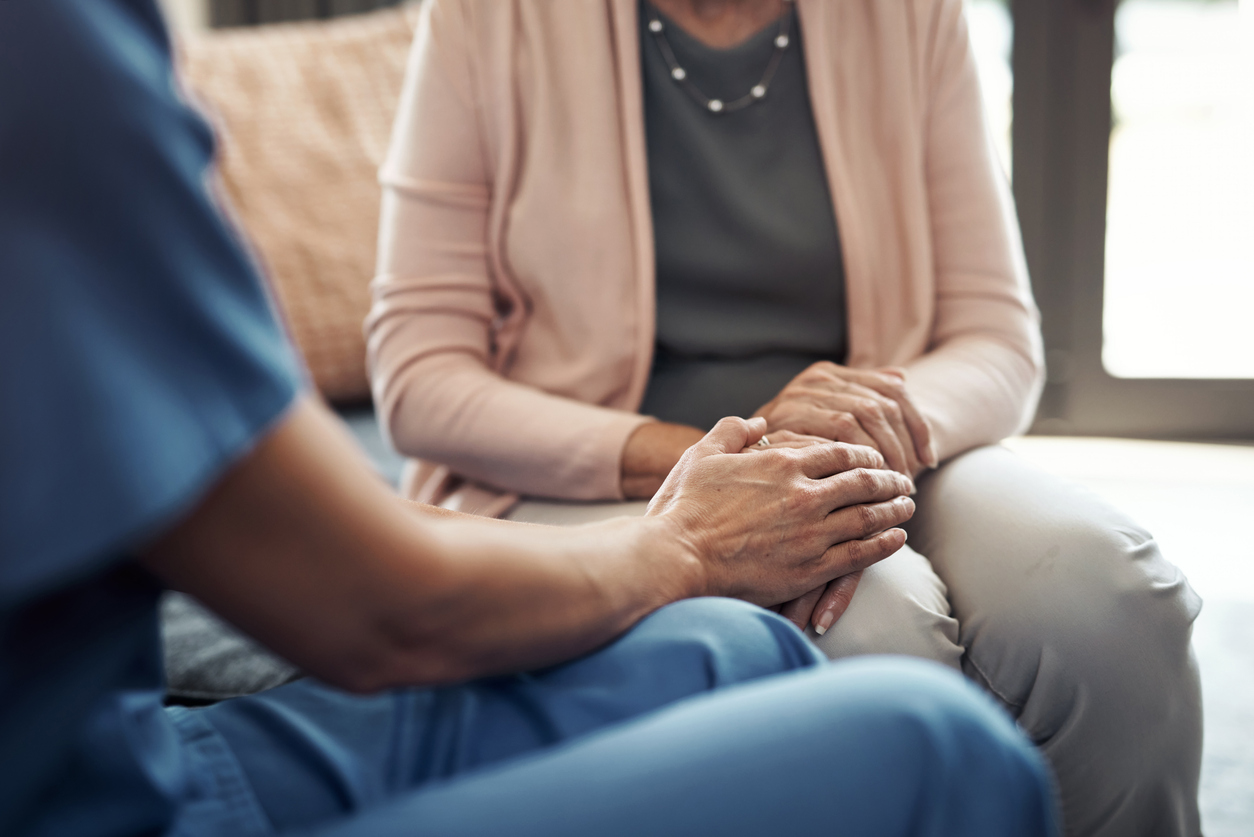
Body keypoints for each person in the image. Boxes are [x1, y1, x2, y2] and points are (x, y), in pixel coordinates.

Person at [0, 2, 1059, 836]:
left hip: (135, 754)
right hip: (103, 807)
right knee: (938, 744)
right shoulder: (50, 54)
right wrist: (685, 538)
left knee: (736, 644)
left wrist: (827, 449)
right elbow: (369, 597)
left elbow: (999, 339)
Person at [365, 1, 1204, 834]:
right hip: (604, 461)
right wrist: (730, 461)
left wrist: (843, 441)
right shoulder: (485, 19)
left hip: (870, 438)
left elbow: (996, 340)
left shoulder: (912, 15)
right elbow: (420, 379)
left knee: (1107, 595)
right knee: (873, 625)